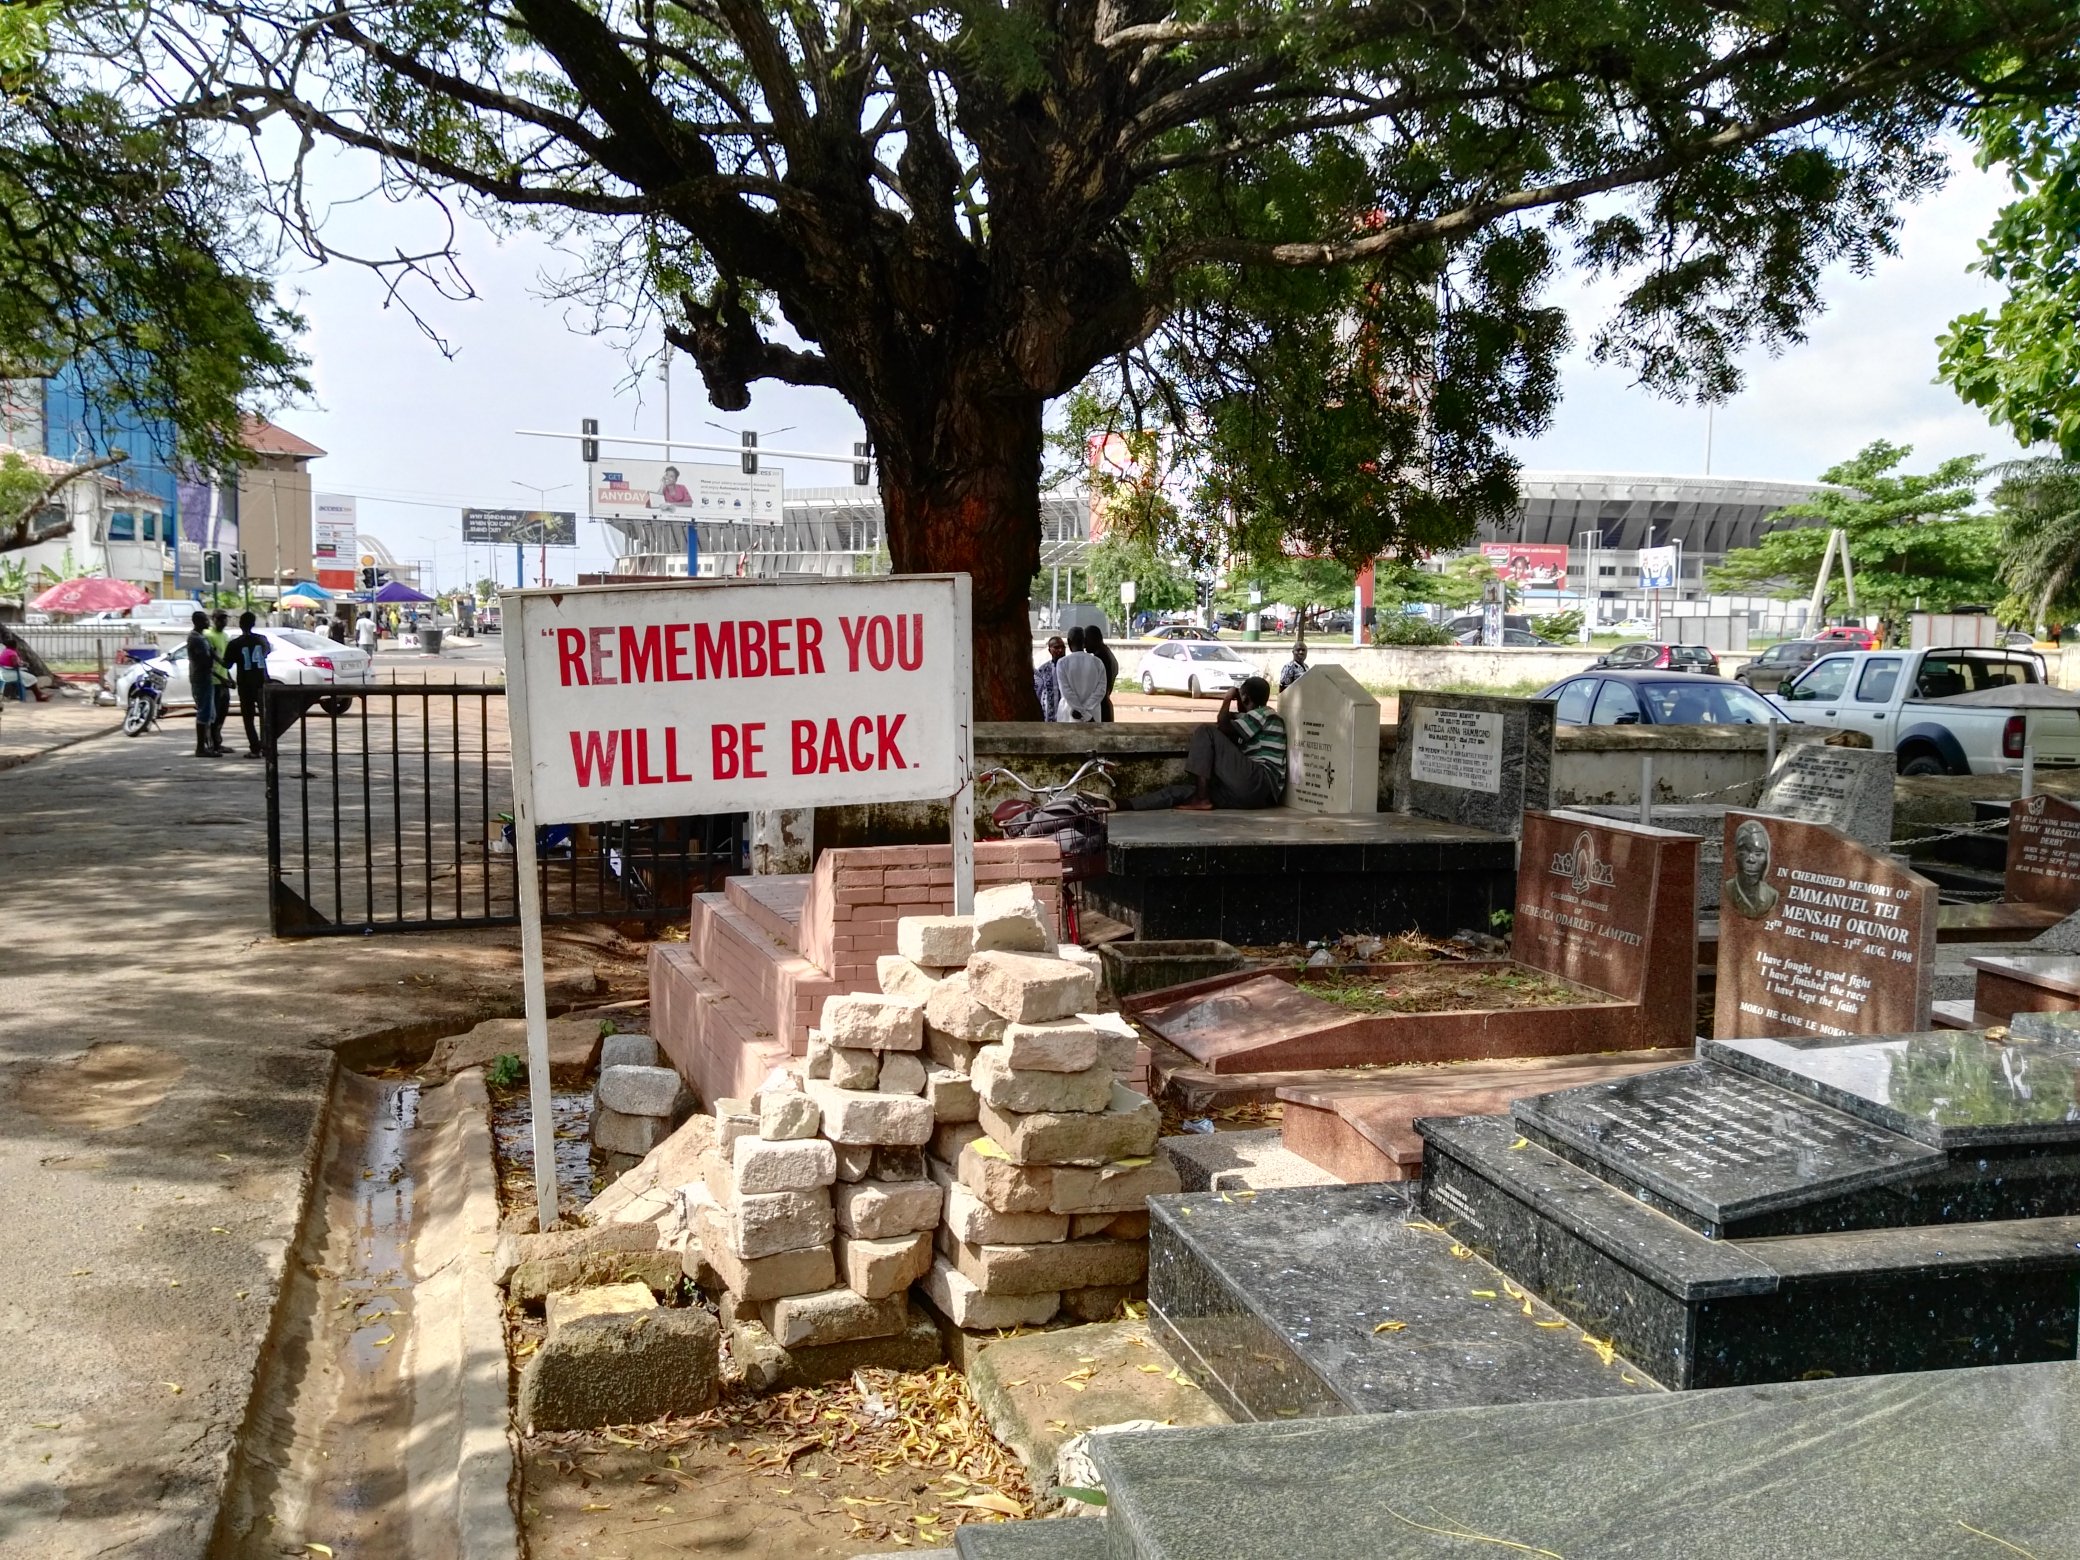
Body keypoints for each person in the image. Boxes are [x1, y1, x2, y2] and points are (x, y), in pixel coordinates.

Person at [1130, 676, 1287, 810]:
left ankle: (1201, 798)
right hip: (1251, 796)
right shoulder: (1253, 719)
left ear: (1245, 698)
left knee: (1205, 731)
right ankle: (1121, 804)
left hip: (1259, 782)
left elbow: (1223, 725)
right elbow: (1233, 720)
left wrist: (1227, 699)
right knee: (1180, 793)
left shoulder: (1265, 714)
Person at [223, 611, 272, 758]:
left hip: (245, 684)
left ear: (240, 624)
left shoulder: (235, 644)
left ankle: (255, 748)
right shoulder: (262, 640)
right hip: (261, 681)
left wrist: (214, 657)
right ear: (253, 623)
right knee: (265, 716)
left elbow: (227, 664)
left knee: (248, 718)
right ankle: (267, 746)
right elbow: (266, 652)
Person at [1724, 819, 1780, 919]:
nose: (1751, 859)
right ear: (1735, 855)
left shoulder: (1771, 895)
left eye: (1758, 853)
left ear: (1767, 858)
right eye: (1744, 852)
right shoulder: (1728, 889)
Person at [184, 609, 222, 757]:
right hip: (201, 678)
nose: (208, 622)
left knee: (208, 712)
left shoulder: (200, 637)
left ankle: (207, 746)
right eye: (205, 620)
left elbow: (210, 656)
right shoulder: (197, 639)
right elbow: (205, 660)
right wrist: (214, 659)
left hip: (204, 676)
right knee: (204, 712)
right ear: (198, 622)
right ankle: (201, 748)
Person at [1054, 627, 1108, 722]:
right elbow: (1101, 690)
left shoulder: (1062, 663)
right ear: (1084, 641)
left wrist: (1081, 712)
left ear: (1069, 642)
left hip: (1070, 713)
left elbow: (1066, 691)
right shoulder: (1097, 663)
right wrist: (1086, 712)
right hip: (1092, 714)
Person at [204, 609, 234, 753]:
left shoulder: (225, 636)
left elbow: (224, 661)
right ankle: (212, 744)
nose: (223, 621)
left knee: (222, 714)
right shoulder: (208, 635)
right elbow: (208, 661)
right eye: (220, 619)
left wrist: (229, 678)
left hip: (223, 682)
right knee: (213, 716)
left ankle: (218, 742)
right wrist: (221, 678)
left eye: (225, 619)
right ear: (213, 619)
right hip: (213, 682)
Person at [1084, 624, 1119, 722]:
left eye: (1086, 640)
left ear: (1093, 639)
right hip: (1105, 704)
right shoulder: (1107, 653)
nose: (1084, 645)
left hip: (1100, 707)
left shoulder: (1099, 658)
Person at [1034, 635, 1067, 721]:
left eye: (1062, 647)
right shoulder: (1042, 670)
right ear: (1049, 650)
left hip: (1066, 714)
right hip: (1049, 715)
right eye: (1056, 647)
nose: (1060, 650)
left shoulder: (1071, 668)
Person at [0, 633, 35, 703]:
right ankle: (36, 695)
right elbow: (15, 664)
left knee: (22, 676)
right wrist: (23, 665)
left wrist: (21, 663)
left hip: (3, 671)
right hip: (10, 672)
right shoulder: (12, 653)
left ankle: (14, 694)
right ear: (15, 646)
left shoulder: (5, 651)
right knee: (28, 677)